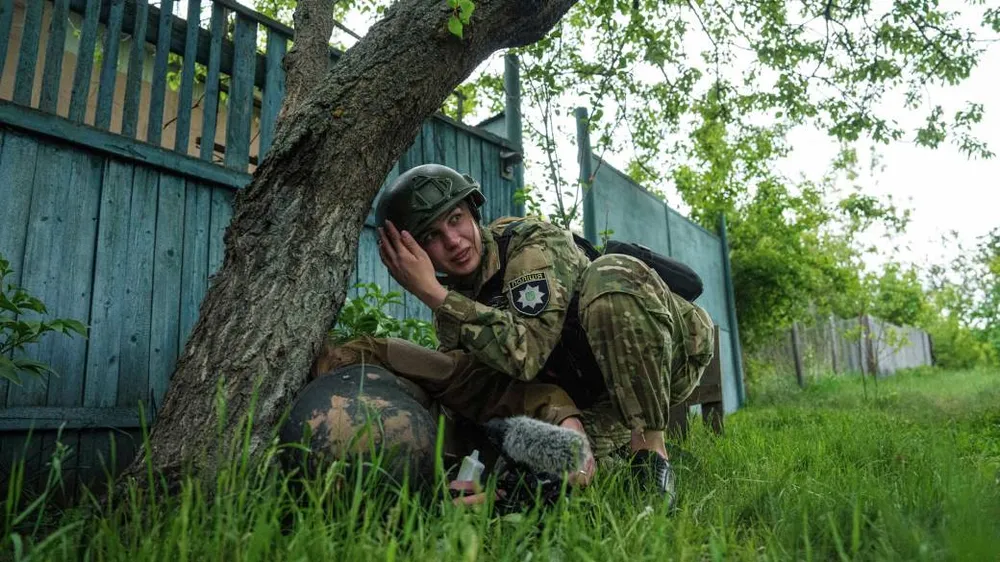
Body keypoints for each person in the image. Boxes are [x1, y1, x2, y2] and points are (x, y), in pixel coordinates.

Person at [317, 163, 715, 503]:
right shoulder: (455, 306)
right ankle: (624, 457)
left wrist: (432, 293)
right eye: (432, 238)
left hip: (668, 353)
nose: (453, 242)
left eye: (455, 220)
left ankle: (652, 455)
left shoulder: (529, 245)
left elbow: (527, 355)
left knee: (610, 276)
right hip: (596, 392)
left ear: (473, 212)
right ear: (415, 254)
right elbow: (483, 392)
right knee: (564, 468)